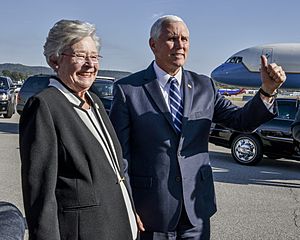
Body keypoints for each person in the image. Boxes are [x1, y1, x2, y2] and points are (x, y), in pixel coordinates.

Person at [109, 15, 286, 240]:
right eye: (172, 38)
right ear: (153, 44)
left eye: (185, 39)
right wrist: (127, 205)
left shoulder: (204, 86)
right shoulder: (128, 89)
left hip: (196, 212)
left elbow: (241, 121)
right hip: (151, 213)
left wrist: (267, 91)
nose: (180, 45)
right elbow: (120, 157)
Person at [19, 19, 138, 240]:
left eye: (94, 56)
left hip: (119, 226)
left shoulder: (94, 101)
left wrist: (129, 208)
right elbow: (40, 195)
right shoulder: (44, 106)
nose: (90, 64)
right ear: (55, 60)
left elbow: (115, 169)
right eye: (80, 56)